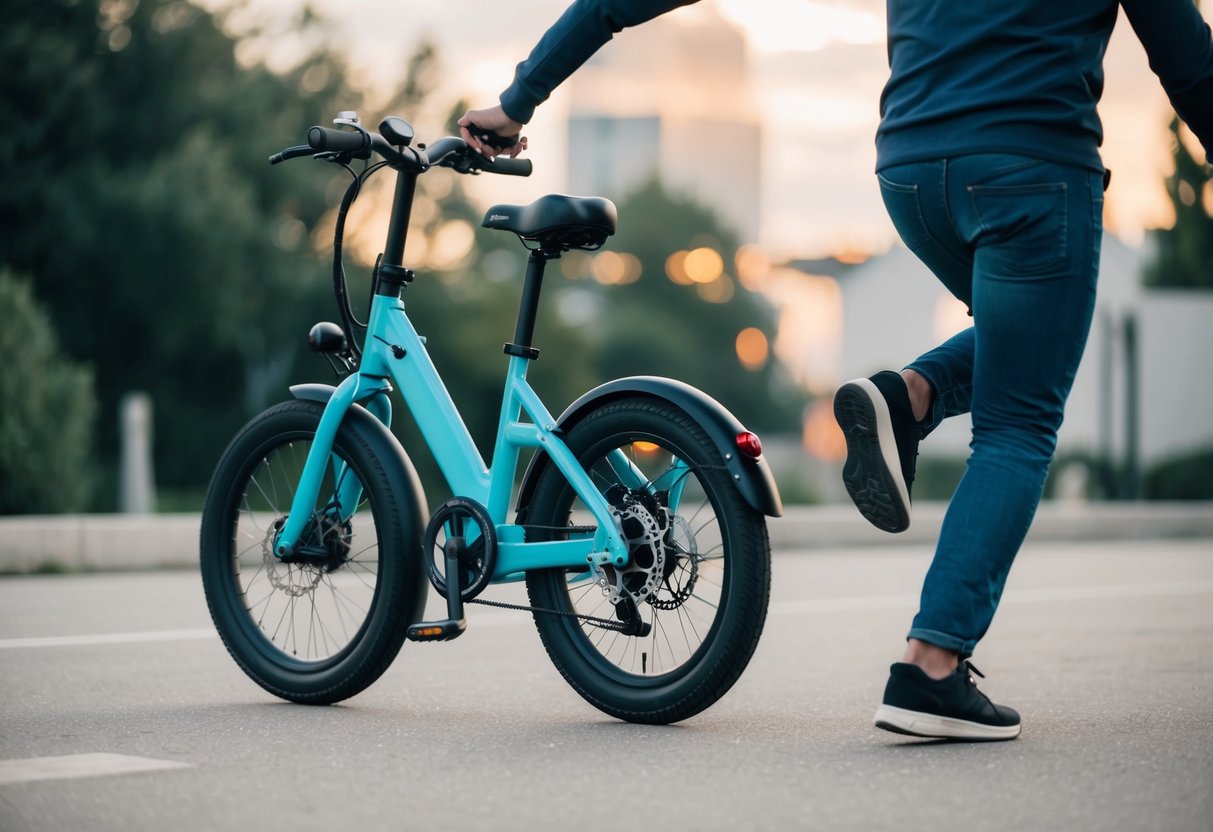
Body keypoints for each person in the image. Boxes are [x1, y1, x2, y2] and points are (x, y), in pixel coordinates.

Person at [460, 0, 1213, 741]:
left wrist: (519, 97)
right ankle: (931, 665)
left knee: (1027, 351)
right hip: (1028, 172)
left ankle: (909, 395)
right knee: (1017, 424)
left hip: (913, 175)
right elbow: (1187, 62)